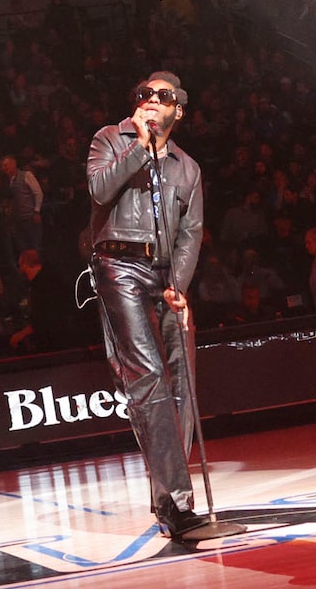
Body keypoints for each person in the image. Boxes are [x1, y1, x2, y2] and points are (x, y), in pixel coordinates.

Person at [85, 72, 240, 545]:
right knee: (147, 376)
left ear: (180, 111)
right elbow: (99, 191)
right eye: (145, 95)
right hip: (118, 266)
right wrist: (140, 147)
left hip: (164, 276)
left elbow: (190, 235)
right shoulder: (110, 139)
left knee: (182, 381)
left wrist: (179, 285)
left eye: (163, 97)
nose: (152, 101)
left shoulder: (188, 170)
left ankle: (167, 501)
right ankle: (179, 501)